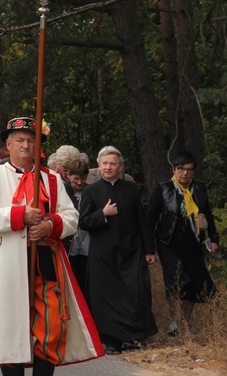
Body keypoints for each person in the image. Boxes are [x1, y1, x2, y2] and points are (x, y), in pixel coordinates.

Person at [0, 117, 102, 374]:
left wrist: (49, 226)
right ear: (9, 144)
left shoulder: (50, 179)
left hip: (46, 264)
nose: (26, 145)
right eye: (20, 140)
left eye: (31, 140)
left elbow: (71, 217)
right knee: (9, 329)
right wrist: (20, 216)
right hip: (6, 264)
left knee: (52, 328)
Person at [78, 146, 158, 355]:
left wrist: (149, 250)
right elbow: (84, 222)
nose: (108, 167)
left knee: (136, 290)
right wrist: (102, 214)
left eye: (113, 164)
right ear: (98, 165)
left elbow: (141, 220)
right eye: (105, 163)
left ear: (120, 166)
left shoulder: (130, 188)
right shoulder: (90, 191)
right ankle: (112, 341)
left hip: (131, 250)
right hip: (103, 254)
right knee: (107, 297)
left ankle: (137, 335)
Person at [146, 152, 218, 338]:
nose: (185, 173)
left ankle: (186, 324)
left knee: (193, 282)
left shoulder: (199, 188)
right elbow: (151, 217)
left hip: (193, 243)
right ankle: (173, 321)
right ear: (173, 169)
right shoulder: (163, 188)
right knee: (176, 281)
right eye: (181, 169)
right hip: (168, 242)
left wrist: (214, 238)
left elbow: (207, 213)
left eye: (189, 169)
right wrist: (149, 247)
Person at [65, 159, 91, 300]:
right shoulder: (62, 191)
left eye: (83, 178)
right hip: (70, 244)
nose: (80, 182)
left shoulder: (92, 190)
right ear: (68, 175)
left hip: (88, 242)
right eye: (76, 179)